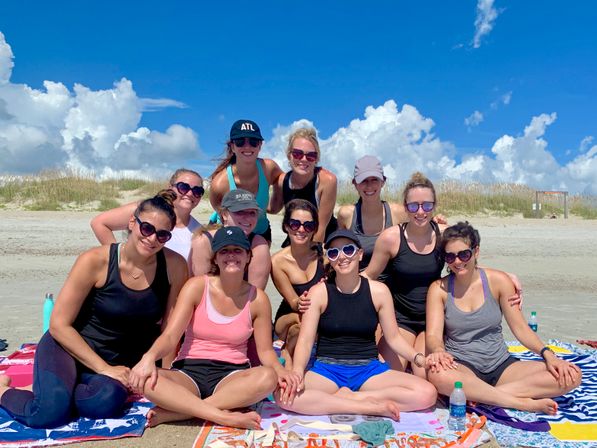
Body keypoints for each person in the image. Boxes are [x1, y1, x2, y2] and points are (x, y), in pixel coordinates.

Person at [0, 192, 189, 428]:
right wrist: (104, 368)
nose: (152, 239)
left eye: (162, 235)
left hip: (119, 361)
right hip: (68, 347)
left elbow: (169, 330)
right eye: (147, 228)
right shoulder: (95, 261)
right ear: (133, 222)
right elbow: (58, 324)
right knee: (48, 413)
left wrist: (167, 374)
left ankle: (59, 387)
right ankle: (4, 389)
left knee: (106, 402)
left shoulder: (175, 265)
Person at [129, 226, 301, 428]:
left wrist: (280, 370)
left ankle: (177, 412)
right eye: (224, 251)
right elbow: (170, 336)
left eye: (237, 250)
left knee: (268, 377)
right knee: (147, 379)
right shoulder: (197, 287)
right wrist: (148, 357)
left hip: (232, 375)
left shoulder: (258, 299)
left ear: (248, 257)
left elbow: (265, 351)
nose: (231, 256)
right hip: (188, 371)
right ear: (215, 258)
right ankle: (222, 416)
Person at [278, 229, 437, 419]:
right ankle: (368, 407)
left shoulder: (379, 291)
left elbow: (393, 338)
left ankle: (352, 398)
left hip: (368, 370)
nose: (342, 257)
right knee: (282, 395)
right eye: (334, 253)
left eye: (348, 250)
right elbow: (305, 340)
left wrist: (419, 359)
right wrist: (297, 371)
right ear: (329, 258)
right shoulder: (318, 292)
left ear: (360, 254)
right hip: (327, 370)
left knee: (427, 393)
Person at [426, 221, 581, 414]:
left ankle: (484, 397)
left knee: (571, 374)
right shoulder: (438, 289)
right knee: (438, 375)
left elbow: (520, 328)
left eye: (463, 254)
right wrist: (439, 350)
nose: (457, 261)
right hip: (462, 365)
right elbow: (432, 336)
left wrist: (549, 355)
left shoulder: (498, 281)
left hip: (501, 365)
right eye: (450, 257)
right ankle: (519, 402)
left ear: (476, 252)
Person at [90, 168, 204, 262]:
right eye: (183, 187)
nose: (190, 193)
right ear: (171, 188)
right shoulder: (146, 209)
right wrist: (118, 259)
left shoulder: (200, 232)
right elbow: (99, 223)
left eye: (197, 191)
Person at [209, 119, 284, 243]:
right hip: (228, 233)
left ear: (260, 145)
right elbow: (220, 214)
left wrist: (273, 207)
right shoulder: (220, 184)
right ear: (232, 146)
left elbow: (285, 182)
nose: (247, 146)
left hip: (261, 231)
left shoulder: (268, 168)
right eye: (240, 142)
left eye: (253, 142)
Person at [271, 199, 325, 368]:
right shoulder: (278, 262)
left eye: (308, 226)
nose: (301, 230)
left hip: (318, 316)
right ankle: (287, 355)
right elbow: (294, 302)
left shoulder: (325, 254)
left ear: (314, 229)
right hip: (288, 319)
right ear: (286, 226)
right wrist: (301, 301)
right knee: (302, 320)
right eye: (295, 224)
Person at [337, 155, 407, 280]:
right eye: (363, 180)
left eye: (374, 179)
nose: (369, 186)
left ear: (383, 181)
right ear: (355, 184)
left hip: (394, 286)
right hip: (359, 283)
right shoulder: (346, 215)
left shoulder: (398, 212)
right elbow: (339, 251)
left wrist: (437, 219)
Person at [189, 189, 271, 289]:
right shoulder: (204, 241)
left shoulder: (258, 244)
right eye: (240, 212)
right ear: (224, 214)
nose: (247, 218)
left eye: (252, 213)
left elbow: (255, 293)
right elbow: (200, 288)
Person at [270, 127, 338, 244]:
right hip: (297, 237)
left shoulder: (327, 181)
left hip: (324, 240)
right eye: (297, 154)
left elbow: (320, 229)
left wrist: (312, 256)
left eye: (310, 156)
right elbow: (273, 208)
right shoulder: (282, 181)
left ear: (316, 159)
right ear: (289, 155)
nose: (304, 159)